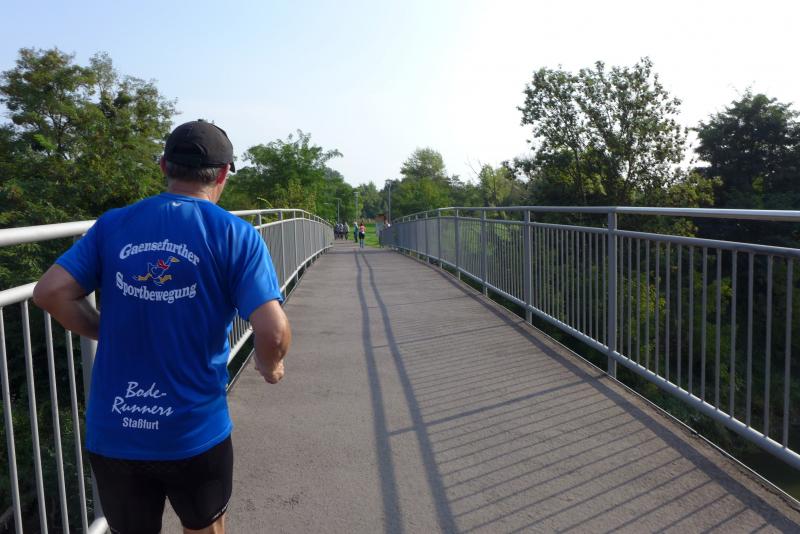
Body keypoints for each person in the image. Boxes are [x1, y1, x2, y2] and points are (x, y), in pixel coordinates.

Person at [33, 120, 292, 534]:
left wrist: (104, 329)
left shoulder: (114, 224)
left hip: (115, 431)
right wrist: (270, 364)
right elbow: (273, 331)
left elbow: (50, 292)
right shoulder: (236, 235)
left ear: (164, 166)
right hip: (193, 431)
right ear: (223, 175)